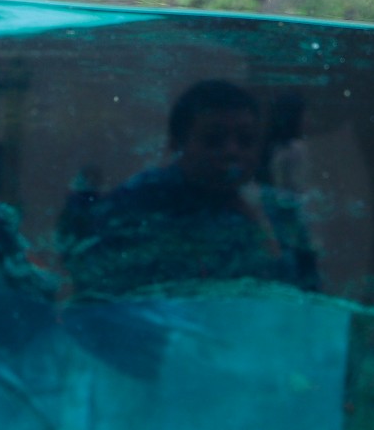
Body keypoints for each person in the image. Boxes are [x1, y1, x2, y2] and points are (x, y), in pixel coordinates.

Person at [60, 78, 320, 300]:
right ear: (177, 144)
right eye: (214, 139)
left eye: (246, 140)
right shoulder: (142, 201)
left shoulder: (273, 209)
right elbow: (94, 283)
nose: (232, 151)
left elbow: (306, 293)